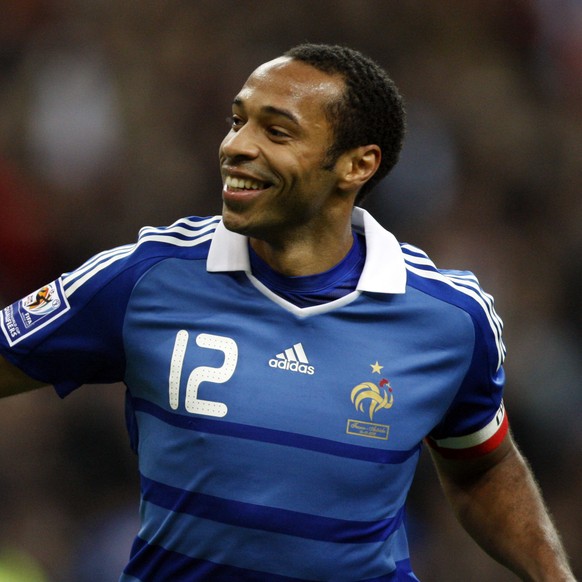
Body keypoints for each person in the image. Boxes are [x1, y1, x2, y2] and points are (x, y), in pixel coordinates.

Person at [0, 43, 575, 581]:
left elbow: (482, 465)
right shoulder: (146, 277)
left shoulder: (449, 318)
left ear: (356, 166)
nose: (236, 146)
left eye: (276, 131)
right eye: (237, 121)